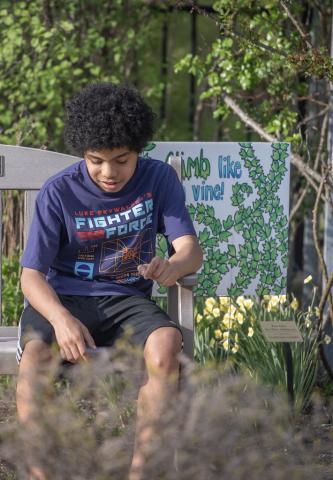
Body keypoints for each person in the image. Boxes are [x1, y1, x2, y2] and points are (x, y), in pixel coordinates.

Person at [15, 82, 203, 480]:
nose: (109, 173)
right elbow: (31, 275)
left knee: (167, 342)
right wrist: (62, 320)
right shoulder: (59, 192)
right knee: (33, 363)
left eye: (122, 160)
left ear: (138, 150)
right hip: (63, 299)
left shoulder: (159, 178)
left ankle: (143, 472)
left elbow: (190, 250)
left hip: (125, 300)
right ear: (82, 152)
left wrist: (172, 266)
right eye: (96, 160)